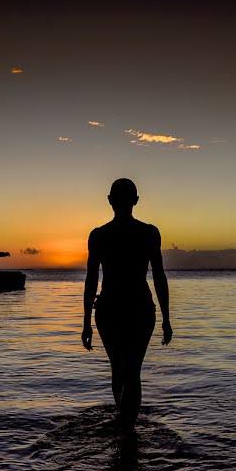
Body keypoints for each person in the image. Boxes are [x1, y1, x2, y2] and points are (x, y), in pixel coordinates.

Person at [82, 178, 172, 429]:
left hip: (112, 309)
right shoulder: (149, 233)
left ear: (110, 200)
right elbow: (159, 276)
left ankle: (124, 427)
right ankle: (127, 430)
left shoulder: (99, 235)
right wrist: (166, 318)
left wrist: (86, 322)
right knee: (131, 371)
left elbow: (91, 280)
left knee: (120, 371)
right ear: (136, 201)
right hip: (138, 308)